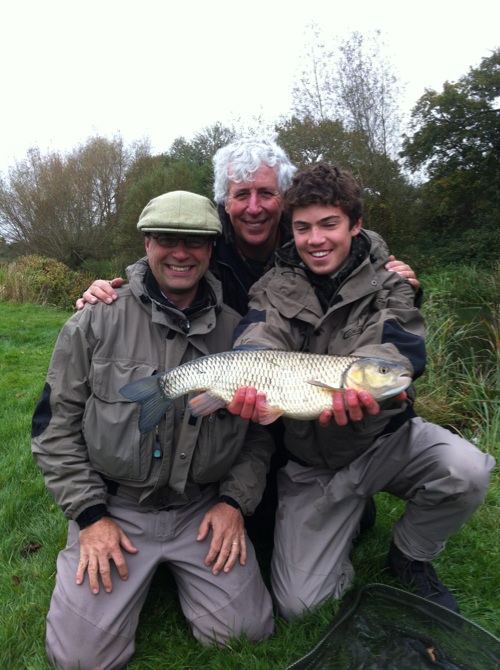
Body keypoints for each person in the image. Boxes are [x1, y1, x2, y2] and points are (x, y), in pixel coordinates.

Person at [226, 162, 495, 619]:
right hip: (311, 461)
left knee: (466, 470)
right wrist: (251, 371)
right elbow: (259, 335)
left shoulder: (390, 280)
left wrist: (366, 380)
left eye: (329, 224)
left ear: (355, 224)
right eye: (303, 228)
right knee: (301, 606)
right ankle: (348, 516)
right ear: (292, 231)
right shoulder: (271, 286)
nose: (316, 239)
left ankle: (411, 554)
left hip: (382, 440)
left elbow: (399, 350)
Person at [31, 191, 275, 669]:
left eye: (194, 241)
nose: (180, 253)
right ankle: (120, 560)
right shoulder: (95, 318)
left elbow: (259, 437)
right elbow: (52, 429)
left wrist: (233, 503)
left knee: (248, 633)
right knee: (79, 659)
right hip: (115, 507)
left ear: (211, 249)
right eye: (166, 239)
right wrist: (90, 516)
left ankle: (172, 568)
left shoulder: (240, 333)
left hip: (201, 507)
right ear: (147, 243)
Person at [76, 137, 421, 316]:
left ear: (283, 198)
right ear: (224, 202)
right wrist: (109, 290)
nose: (254, 208)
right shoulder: (206, 241)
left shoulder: (322, 243)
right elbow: (166, 259)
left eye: (266, 193)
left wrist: (403, 288)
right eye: (241, 195)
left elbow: (383, 301)